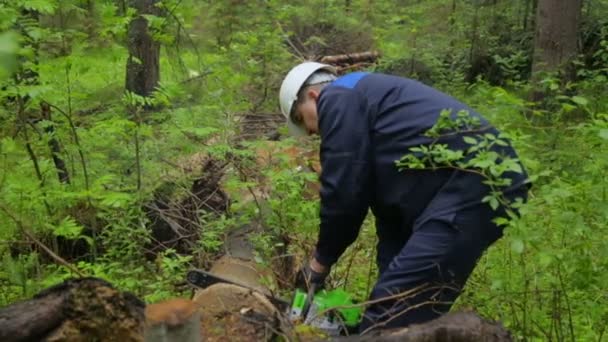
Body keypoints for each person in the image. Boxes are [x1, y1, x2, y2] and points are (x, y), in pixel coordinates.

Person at [279, 62, 529, 332]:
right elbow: (391, 216)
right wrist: (385, 281)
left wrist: (320, 261)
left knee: (391, 316)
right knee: (396, 303)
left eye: (305, 122)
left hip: (477, 180)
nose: (312, 133)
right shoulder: (374, 108)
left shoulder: (339, 97)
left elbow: (343, 193)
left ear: (314, 96)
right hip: (468, 182)